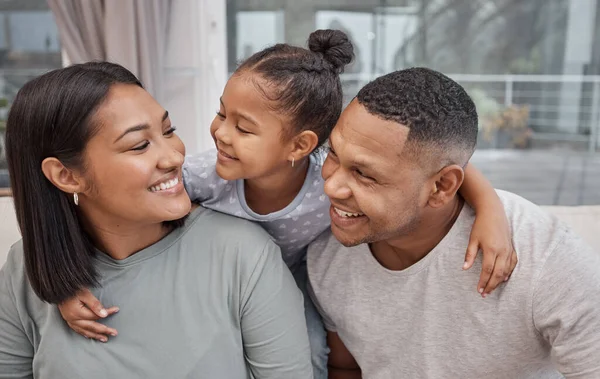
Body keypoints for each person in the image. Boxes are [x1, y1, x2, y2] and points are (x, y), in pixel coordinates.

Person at [58, 31, 516, 379]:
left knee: (314, 348)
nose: (220, 132)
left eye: (244, 127)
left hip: (302, 281)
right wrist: (66, 279)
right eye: (221, 113)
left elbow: (433, 166)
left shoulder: (331, 175)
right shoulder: (203, 176)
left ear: (301, 145)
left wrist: (489, 209)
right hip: (222, 280)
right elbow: (108, 213)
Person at [0, 62, 313, 378]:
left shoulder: (242, 254)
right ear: (67, 175)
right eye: (139, 145)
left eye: (169, 131)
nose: (175, 157)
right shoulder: (24, 269)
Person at [307, 67, 600, 378]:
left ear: (442, 187)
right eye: (333, 153)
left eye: (365, 174)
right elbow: (344, 367)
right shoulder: (325, 259)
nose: (330, 187)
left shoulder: (545, 258)